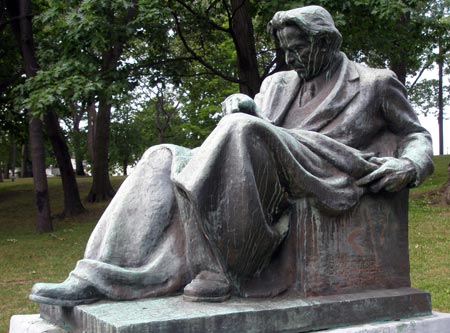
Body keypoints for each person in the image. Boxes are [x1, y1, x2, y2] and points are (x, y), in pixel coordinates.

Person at [30, 5, 433, 306]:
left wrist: (410, 165)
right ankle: (97, 276)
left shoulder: (375, 84)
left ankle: (223, 267)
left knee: (242, 129)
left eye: (298, 50)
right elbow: (258, 122)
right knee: (162, 154)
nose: (290, 59)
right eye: (285, 51)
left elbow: (416, 135)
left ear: (327, 42)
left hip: (327, 166)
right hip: (265, 157)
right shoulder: (277, 84)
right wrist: (244, 103)